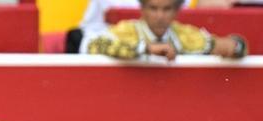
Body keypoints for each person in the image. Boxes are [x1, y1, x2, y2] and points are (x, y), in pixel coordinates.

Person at [81, 0, 247, 59]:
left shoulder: (184, 35)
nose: (160, 16)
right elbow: (92, 46)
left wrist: (235, 46)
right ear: (143, 9)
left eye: (166, 9)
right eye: (153, 8)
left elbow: (238, 45)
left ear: (176, 11)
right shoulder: (127, 30)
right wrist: (145, 49)